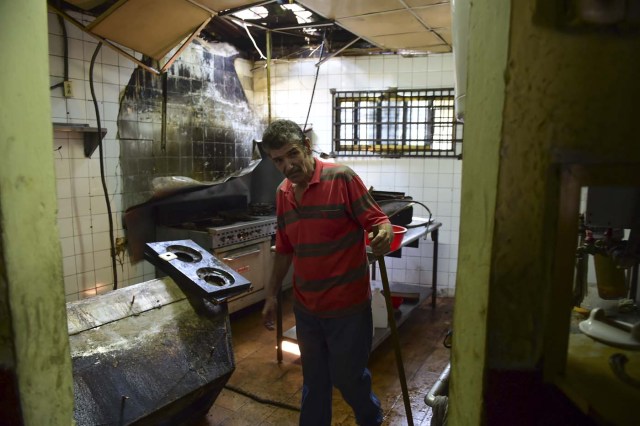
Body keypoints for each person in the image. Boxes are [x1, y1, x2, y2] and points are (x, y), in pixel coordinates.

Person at [260, 119, 394, 426]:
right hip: (307, 308)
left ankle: (370, 418)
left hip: (347, 307)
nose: (287, 165)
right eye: (278, 160)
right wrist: (271, 295)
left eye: (292, 154)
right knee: (314, 382)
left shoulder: (341, 177)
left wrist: (383, 232)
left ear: (306, 147)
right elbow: (284, 249)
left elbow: (377, 220)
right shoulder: (283, 193)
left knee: (347, 377)